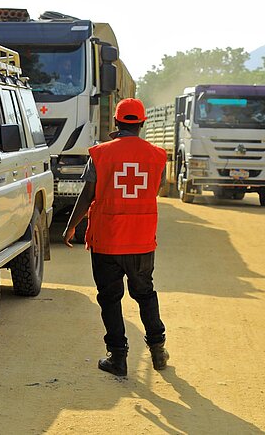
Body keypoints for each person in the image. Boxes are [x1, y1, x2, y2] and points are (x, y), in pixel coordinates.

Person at [62, 98, 169, 377]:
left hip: (107, 241)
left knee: (110, 298)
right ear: (142, 124)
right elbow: (155, 190)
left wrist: (71, 226)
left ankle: (118, 358)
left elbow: (87, 195)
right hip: (142, 240)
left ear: (116, 123)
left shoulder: (100, 154)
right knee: (145, 294)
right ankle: (158, 349)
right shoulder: (157, 155)